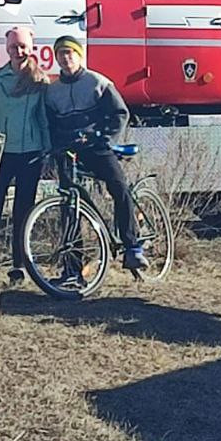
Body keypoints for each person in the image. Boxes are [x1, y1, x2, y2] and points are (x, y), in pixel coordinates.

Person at [44, 35, 147, 270]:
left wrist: (106, 138)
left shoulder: (97, 82)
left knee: (119, 187)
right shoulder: (52, 91)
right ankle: (72, 266)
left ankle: (132, 247)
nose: (66, 58)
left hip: (97, 148)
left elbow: (120, 113)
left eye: (70, 53)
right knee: (69, 204)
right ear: (56, 58)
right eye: (61, 54)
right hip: (70, 151)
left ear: (79, 56)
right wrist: (55, 146)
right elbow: (51, 124)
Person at [0, 26, 50, 283]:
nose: (19, 51)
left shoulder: (40, 80)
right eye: (14, 47)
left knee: (23, 212)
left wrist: (48, 149)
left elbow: (45, 118)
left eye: (23, 46)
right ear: (7, 48)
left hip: (31, 153)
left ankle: (19, 266)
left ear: (31, 47)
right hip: (1, 154)